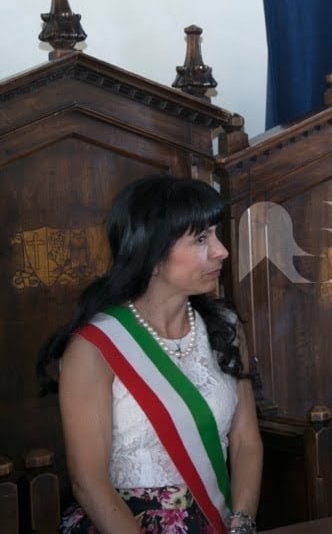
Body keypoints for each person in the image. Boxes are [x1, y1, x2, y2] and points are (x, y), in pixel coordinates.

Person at [36, 175, 262, 533]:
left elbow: (246, 440)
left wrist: (242, 523)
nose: (221, 250)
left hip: (217, 520)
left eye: (215, 235)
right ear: (152, 256)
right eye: (201, 239)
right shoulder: (94, 347)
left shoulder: (225, 328)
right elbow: (88, 482)